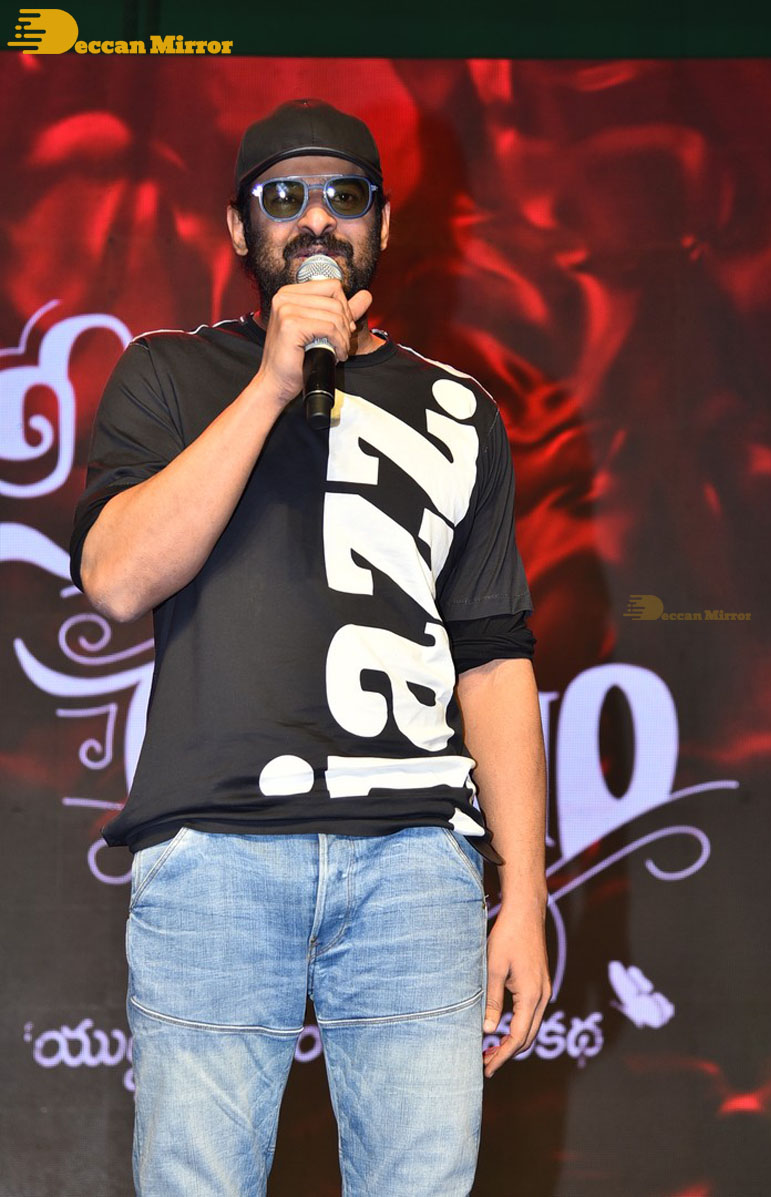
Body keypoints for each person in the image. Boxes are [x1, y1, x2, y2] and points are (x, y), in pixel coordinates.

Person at [70, 98, 551, 1196]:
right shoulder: (169, 375)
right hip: (217, 851)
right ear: (239, 228)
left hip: (414, 859)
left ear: (381, 221)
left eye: (344, 195)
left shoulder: (457, 410)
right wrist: (274, 384)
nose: (316, 219)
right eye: (283, 197)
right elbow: (118, 578)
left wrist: (521, 893)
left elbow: (493, 659)